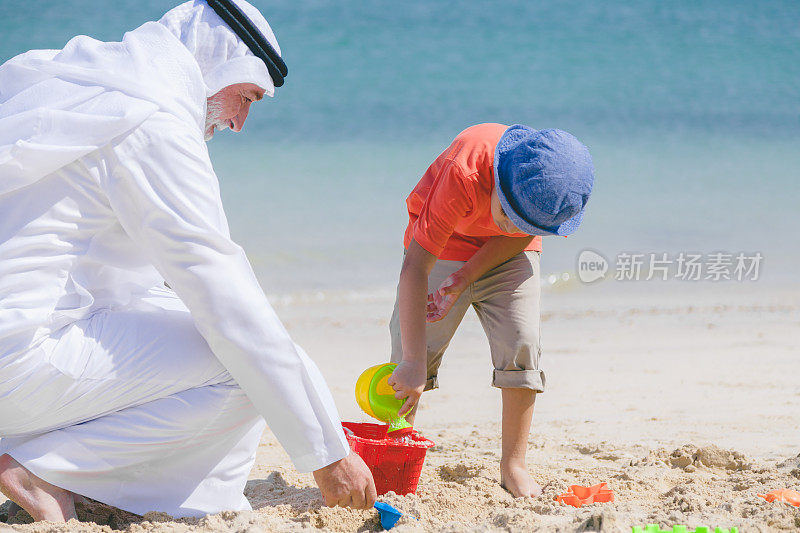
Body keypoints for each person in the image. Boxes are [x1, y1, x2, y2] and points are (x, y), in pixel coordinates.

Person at [0, 0, 375, 522]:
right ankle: (47, 472)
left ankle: (74, 473)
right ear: (214, 65)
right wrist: (328, 456)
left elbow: (152, 283)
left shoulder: (76, 77)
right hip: (16, 367)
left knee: (234, 343)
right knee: (242, 368)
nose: (241, 122)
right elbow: (222, 296)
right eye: (245, 97)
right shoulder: (151, 122)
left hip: (17, 347)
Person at [386, 123, 594, 497]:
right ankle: (398, 455)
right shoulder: (465, 170)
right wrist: (415, 360)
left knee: (522, 340)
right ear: (499, 180)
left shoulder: (544, 201)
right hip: (441, 247)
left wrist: (468, 277)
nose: (512, 224)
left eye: (524, 222)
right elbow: (415, 268)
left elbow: (516, 236)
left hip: (507, 256)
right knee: (411, 351)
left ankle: (513, 466)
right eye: (508, 212)